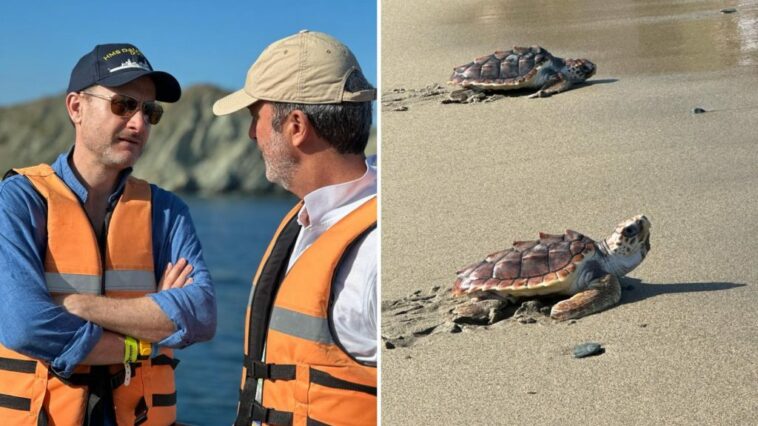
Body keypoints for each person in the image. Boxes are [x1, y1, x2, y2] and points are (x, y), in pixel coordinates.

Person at [0, 43, 216, 425]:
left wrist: (77, 305)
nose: (139, 123)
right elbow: (25, 324)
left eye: (150, 112)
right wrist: (142, 340)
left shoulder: (166, 212)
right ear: (76, 108)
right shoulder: (18, 201)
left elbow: (200, 314)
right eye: (123, 105)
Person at [213, 30, 377, 426]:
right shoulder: (305, 220)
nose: (252, 133)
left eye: (257, 117)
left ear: (296, 126)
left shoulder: (376, 254)